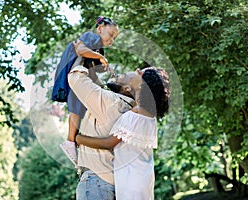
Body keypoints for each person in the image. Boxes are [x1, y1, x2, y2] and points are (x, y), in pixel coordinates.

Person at [75, 67, 170, 200]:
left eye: (140, 73)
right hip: (142, 176)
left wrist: (79, 139)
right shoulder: (150, 118)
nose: (137, 70)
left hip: (131, 179)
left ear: (143, 85)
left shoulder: (134, 115)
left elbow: (109, 143)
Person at [51, 16, 118, 166]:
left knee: (79, 110)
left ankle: (74, 141)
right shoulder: (91, 36)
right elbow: (80, 50)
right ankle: (69, 141)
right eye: (111, 34)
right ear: (100, 27)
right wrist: (100, 57)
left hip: (83, 77)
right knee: (75, 109)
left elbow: (93, 68)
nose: (112, 40)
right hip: (76, 75)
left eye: (114, 38)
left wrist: (103, 65)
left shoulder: (97, 47)